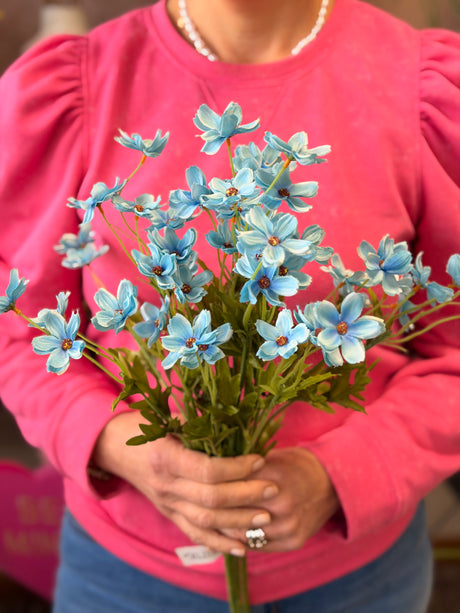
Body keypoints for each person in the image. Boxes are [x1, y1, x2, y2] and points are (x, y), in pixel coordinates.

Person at [0, 0, 459, 611]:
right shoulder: (74, 85)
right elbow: (21, 332)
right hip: (125, 577)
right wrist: (116, 444)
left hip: (359, 578)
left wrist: (344, 474)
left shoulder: (421, 85)